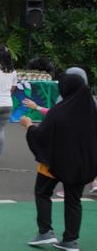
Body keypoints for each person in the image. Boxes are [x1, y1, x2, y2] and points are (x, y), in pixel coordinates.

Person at [21, 73, 97, 251]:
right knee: (73, 200)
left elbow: (42, 137)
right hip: (81, 165)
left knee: (42, 192)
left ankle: (45, 231)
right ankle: (70, 240)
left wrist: (29, 126)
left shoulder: (58, 112)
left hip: (54, 163)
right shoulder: (92, 113)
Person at [23, 67, 97, 196]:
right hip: (86, 145)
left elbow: (54, 116)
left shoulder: (65, 97)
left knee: (44, 192)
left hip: (66, 145)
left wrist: (31, 122)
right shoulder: (90, 100)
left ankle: (69, 186)